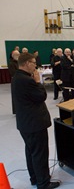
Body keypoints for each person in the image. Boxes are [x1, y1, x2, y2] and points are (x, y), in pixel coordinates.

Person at [11, 53, 61, 189]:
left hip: (25, 123)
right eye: (33, 62)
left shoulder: (17, 77)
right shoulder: (27, 80)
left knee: (31, 151)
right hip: (34, 123)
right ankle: (43, 183)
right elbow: (41, 96)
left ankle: (35, 177)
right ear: (27, 63)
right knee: (40, 153)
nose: (35, 65)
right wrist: (38, 82)